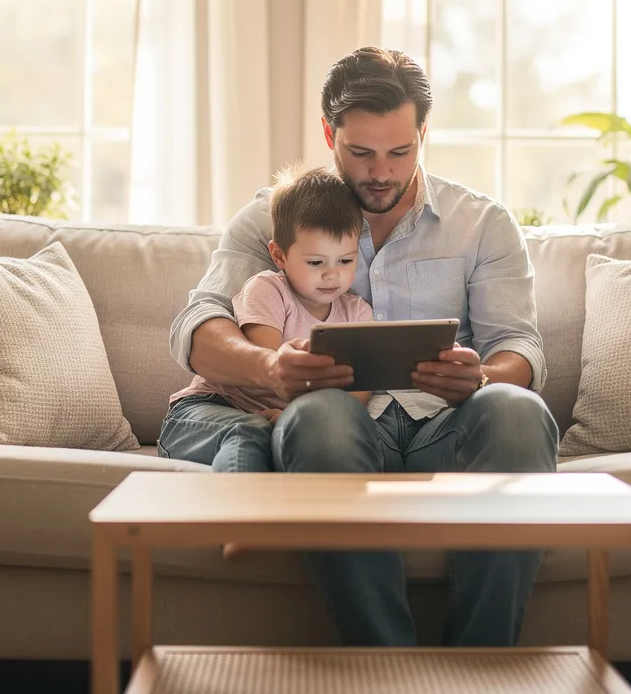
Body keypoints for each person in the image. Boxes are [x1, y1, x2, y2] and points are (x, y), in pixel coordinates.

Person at [162, 46, 559, 647]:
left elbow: (520, 346)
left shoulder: (482, 224)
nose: (381, 171)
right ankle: (385, 670)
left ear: (424, 133)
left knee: (519, 410)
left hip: (443, 429)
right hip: (335, 435)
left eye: (400, 152)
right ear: (329, 134)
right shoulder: (275, 219)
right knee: (322, 412)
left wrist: (481, 378)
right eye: (361, 152)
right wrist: (272, 367)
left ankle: (483, 667)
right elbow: (197, 325)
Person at [160, 165, 373, 475]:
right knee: (249, 432)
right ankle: (240, 522)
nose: (332, 274)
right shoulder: (268, 289)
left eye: (346, 260)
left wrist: (295, 418)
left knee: (277, 437)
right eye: (316, 262)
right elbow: (270, 371)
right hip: (210, 408)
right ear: (280, 256)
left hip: (279, 417)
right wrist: (288, 414)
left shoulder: (357, 312)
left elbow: (358, 391)